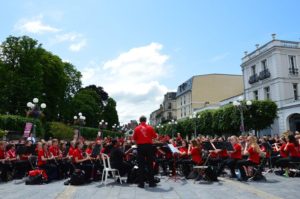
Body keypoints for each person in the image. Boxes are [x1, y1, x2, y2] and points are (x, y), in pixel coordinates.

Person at [133, 115, 158, 188]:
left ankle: (141, 184)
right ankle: (151, 183)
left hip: (140, 147)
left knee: (141, 166)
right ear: (146, 120)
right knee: (150, 165)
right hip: (149, 147)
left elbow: (134, 139)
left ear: (139, 121)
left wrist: (137, 145)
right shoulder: (150, 127)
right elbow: (155, 136)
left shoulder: (136, 128)